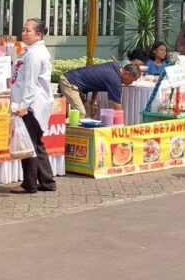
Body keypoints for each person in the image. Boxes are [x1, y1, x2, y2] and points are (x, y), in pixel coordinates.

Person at [8, 18, 56, 194]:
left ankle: (29, 184)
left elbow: (30, 83)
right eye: (23, 30)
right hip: (36, 104)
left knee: (29, 145)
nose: (24, 33)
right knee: (37, 144)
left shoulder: (35, 55)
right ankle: (47, 182)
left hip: (32, 105)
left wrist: (24, 105)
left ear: (39, 34)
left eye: (28, 30)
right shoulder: (33, 51)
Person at [59, 60, 140, 116]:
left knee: (88, 113)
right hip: (70, 82)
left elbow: (97, 82)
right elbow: (117, 107)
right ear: (126, 73)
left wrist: (92, 102)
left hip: (74, 81)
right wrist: (121, 128)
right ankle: (67, 133)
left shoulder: (114, 66)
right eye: (132, 80)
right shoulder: (115, 80)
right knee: (81, 113)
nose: (131, 83)